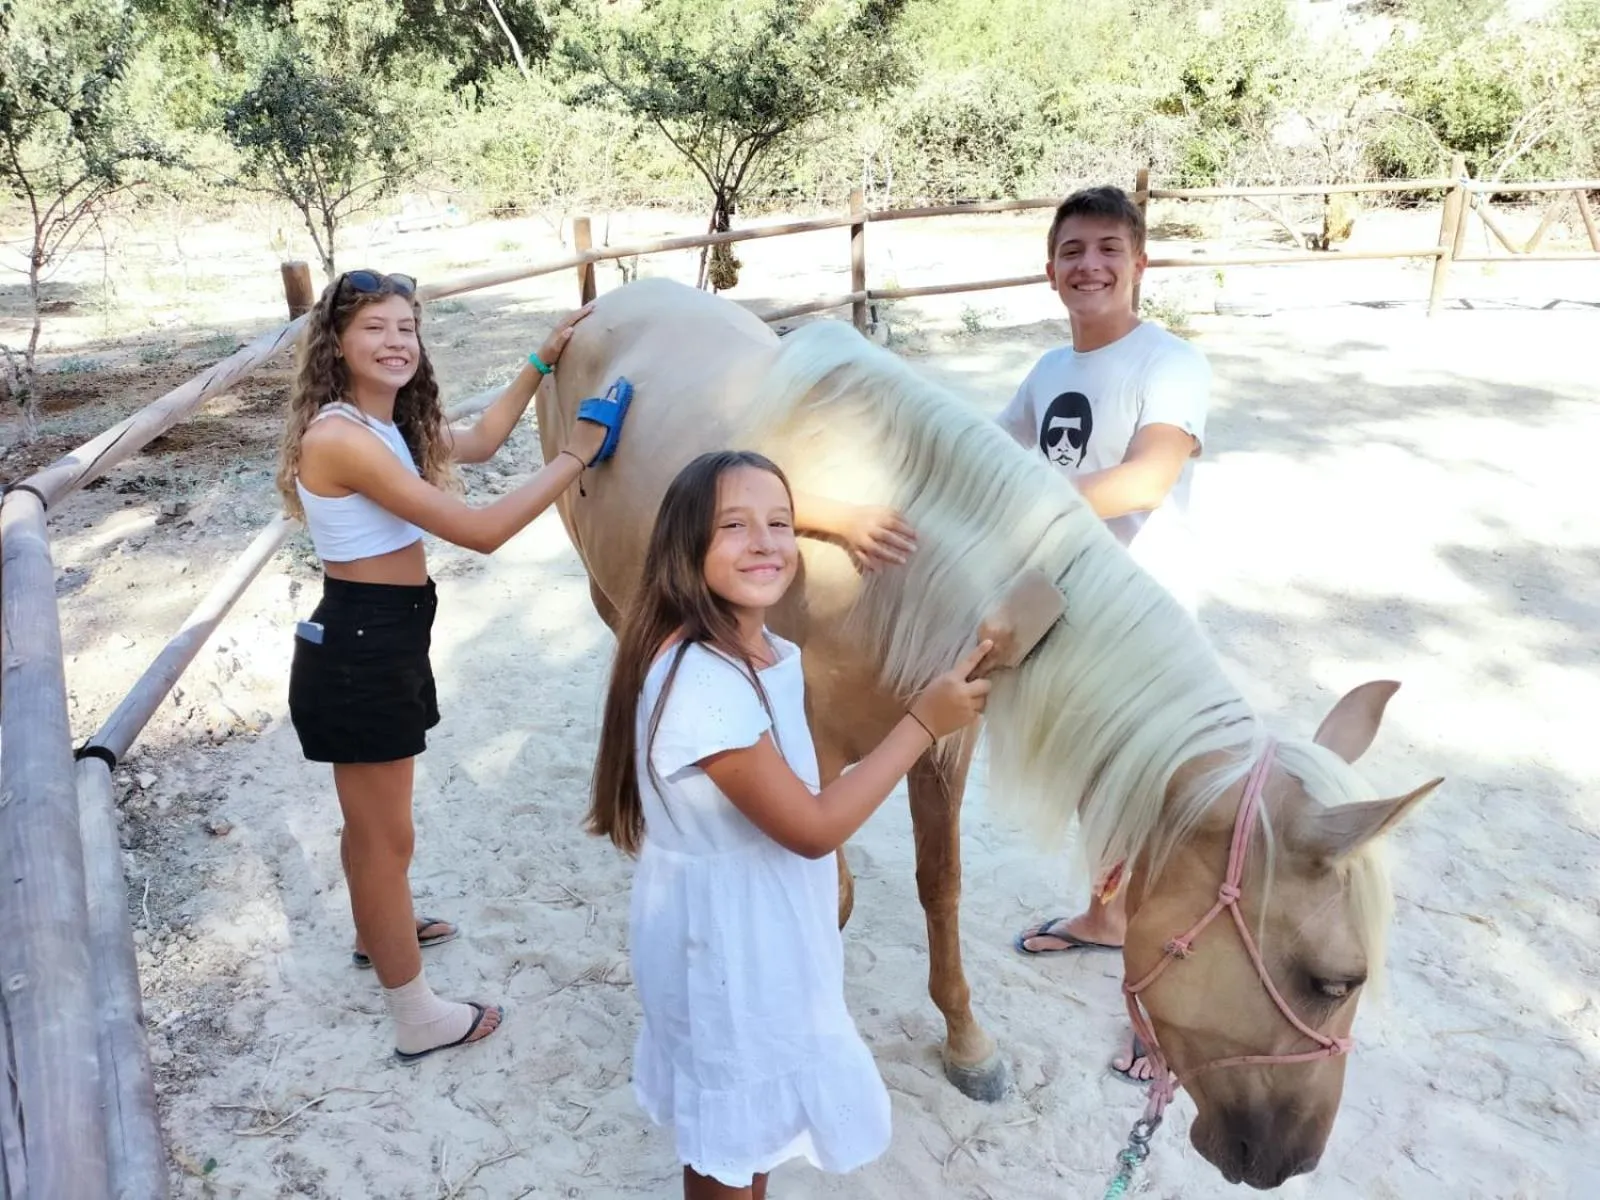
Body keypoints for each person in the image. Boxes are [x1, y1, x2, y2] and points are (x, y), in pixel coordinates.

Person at [587, 449, 993, 1199]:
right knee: (729, 1140)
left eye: (780, 522)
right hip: (726, 941)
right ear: (686, 545)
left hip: (757, 923)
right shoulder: (702, 684)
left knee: (750, 1125)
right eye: (734, 526)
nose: (766, 541)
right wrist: (919, 726)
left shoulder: (762, 648)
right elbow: (810, 826)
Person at [279, 268, 632, 1063]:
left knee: (374, 830)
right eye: (375, 328)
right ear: (336, 340)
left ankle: (382, 933)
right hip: (363, 649)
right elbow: (481, 530)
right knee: (384, 839)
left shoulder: (381, 425)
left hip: (385, 638)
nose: (397, 341)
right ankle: (417, 1016)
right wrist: (578, 454)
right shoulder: (340, 437)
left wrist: (540, 362)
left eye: (407, 327)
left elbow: (479, 442)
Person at [995, 186, 1212, 1082]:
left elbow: (1146, 480)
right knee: (1098, 787)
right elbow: (991, 456)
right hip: (1071, 607)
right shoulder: (1048, 371)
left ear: (1139, 264)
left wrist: (1024, 512)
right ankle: (1104, 917)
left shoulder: (1169, 362)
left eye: (1109, 249)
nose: (1090, 265)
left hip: (1142, 610)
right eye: (1073, 250)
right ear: (1051, 272)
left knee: (1155, 808)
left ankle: (1167, 1014)